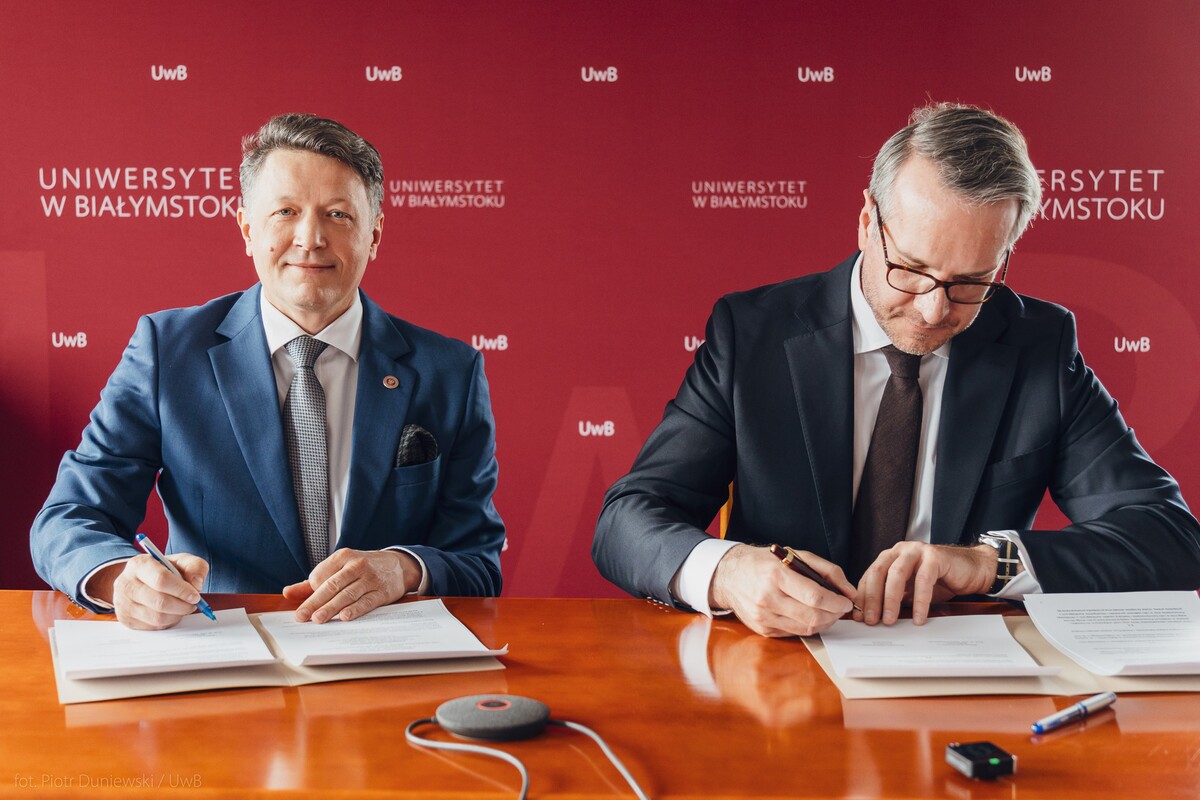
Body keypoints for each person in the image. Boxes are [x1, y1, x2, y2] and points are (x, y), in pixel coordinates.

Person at [593, 103, 1200, 637]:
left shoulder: (1038, 346)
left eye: (971, 282)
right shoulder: (753, 335)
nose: (934, 311)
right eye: (910, 269)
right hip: (779, 669)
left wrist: (987, 565)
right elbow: (628, 518)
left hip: (963, 675)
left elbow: (1170, 536)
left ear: (1004, 256)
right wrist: (727, 572)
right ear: (867, 221)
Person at [31, 114, 505, 629]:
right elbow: (68, 518)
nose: (310, 238)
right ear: (247, 229)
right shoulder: (168, 352)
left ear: (374, 234)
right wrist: (120, 579)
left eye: (338, 214)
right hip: (223, 645)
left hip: (385, 654)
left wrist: (405, 568)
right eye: (285, 212)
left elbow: (478, 563)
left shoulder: (450, 373)